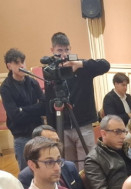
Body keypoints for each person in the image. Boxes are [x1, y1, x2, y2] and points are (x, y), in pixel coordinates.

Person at [44, 32, 110, 168]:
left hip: (83, 124)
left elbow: (105, 65)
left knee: (88, 165)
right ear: (52, 50)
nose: (64, 55)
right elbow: (49, 100)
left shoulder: (82, 67)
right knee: (68, 165)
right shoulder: (51, 71)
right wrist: (52, 127)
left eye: (67, 50)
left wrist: (80, 64)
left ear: (71, 49)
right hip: (63, 126)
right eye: (59, 51)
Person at [17, 125, 91, 189]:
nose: (55, 146)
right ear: (36, 144)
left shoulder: (69, 166)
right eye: (50, 141)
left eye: (57, 141)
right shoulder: (25, 177)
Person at [0, 48, 48, 167]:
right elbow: (15, 116)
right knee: (26, 171)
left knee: (43, 167)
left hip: (38, 133)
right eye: (17, 63)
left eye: (23, 62)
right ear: (9, 66)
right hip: (21, 136)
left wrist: (23, 109)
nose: (21, 65)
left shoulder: (33, 82)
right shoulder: (5, 88)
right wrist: (35, 109)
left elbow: (44, 106)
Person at [84, 115, 131, 189]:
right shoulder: (93, 160)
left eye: (124, 131)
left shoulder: (128, 149)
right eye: (117, 132)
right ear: (104, 133)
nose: (123, 136)